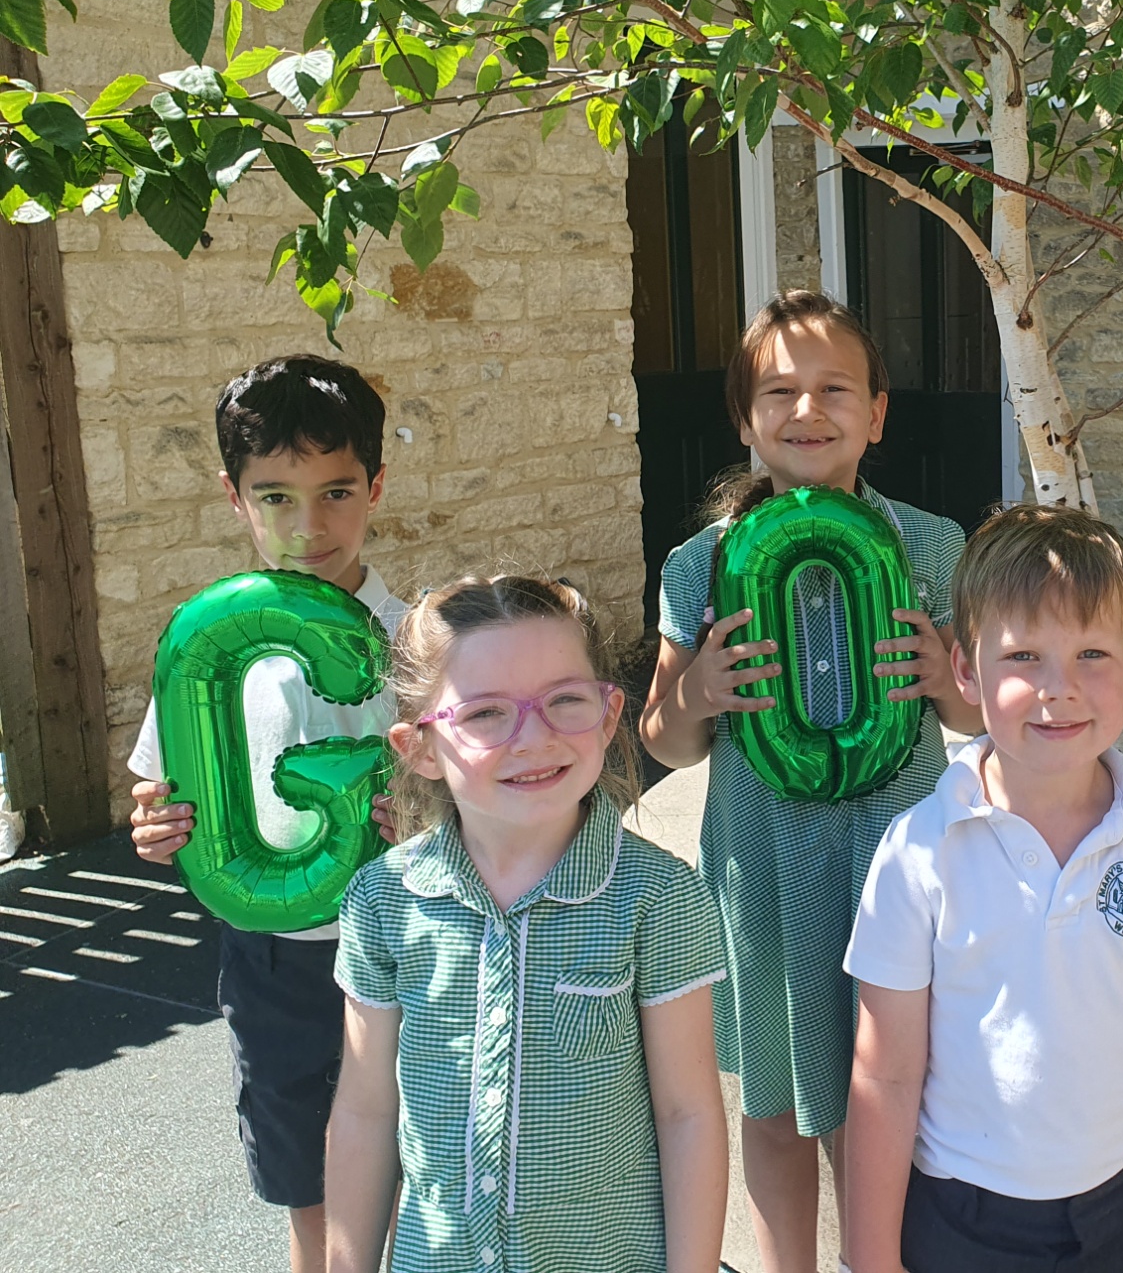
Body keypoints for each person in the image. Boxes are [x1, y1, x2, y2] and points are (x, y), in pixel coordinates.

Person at [638, 290, 984, 1273]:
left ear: (877, 413)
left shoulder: (930, 545)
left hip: (899, 866)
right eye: (778, 390)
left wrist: (941, 682)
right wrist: (698, 688)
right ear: (746, 419)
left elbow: (972, 717)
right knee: (776, 1105)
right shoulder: (698, 563)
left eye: (834, 388)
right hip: (762, 872)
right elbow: (664, 741)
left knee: (888, 1093)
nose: (806, 409)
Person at [843, 505, 1123, 1273]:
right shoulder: (920, 850)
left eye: (1091, 653)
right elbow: (884, 1074)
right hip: (964, 1220)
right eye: (1023, 656)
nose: (1059, 690)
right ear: (965, 668)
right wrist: (871, 1260)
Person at [325, 576, 729, 1273]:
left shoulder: (657, 899)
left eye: (564, 701)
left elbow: (688, 1116)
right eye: (485, 714)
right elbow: (364, 1114)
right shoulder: (382, 901)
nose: (534, 738)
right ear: (419, 747)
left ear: (607, 717)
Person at [125, 354, 406, 1273]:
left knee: (419, 1159)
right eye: (276, 496)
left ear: (375, 485)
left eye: (334, 492)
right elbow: (161, 791)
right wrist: (156, 830)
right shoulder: (207, 646)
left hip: (409, 943)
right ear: (234, 496)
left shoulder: (418, 641)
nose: (310, 524)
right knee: (306, 1175)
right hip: (276, 959)